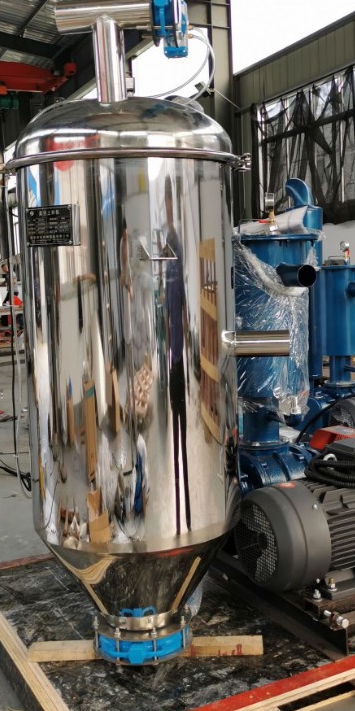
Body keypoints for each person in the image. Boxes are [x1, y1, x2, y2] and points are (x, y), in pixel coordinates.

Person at [164, 181, 190, 535]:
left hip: (183, 349)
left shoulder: (180, 241)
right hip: (171, 348)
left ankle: (181, 508)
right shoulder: (168, 240)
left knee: (182, 427)